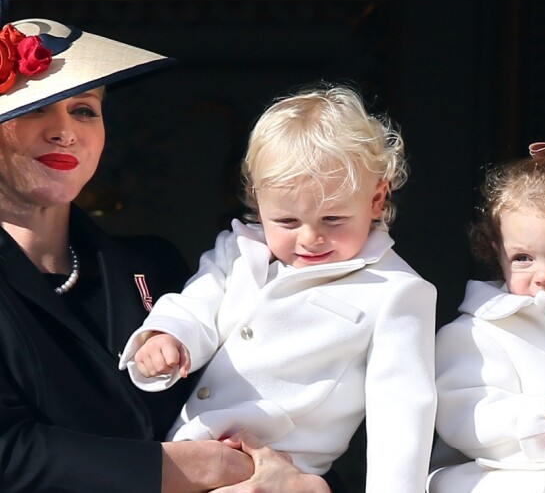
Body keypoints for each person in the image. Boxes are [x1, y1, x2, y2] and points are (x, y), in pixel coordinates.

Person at [0, 0, 340, 493]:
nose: (65, 132)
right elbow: (11, 454)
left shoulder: (155, 265)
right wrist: (209, 467)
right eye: (35, 109)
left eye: (85, 110)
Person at [119, 83, 438, 492]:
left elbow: (402, 413)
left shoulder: (397, 290)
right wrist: (167, 335)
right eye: (287, 222)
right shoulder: (237, 250)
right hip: (187, 452)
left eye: (333, 220)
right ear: (256, 198)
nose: (310, 239)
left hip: (275, 473)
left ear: (376, 200)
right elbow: (197, 302)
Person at [429, 141, 545, 492]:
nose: (543, 275)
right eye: (523, 258)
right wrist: (543, 416)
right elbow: (464, 411)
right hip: (507, 477)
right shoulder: (480, 331)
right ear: (498, 254)